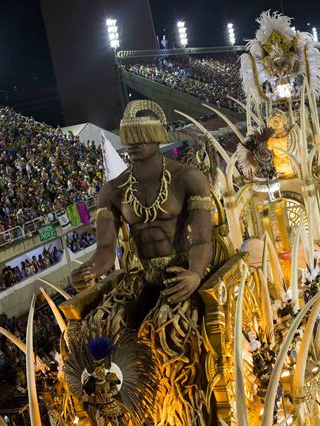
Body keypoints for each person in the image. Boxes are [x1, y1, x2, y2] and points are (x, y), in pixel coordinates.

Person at [69, 100, 215, 424]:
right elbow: (106, 250)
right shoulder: (112, 191)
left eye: (141, 137)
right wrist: (91, 271)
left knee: (163, 330)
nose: (133, 145)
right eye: (128, 137)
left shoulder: (188, 178)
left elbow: (204, 239)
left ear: (158, 136)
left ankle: (182, 408)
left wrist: (195, 274)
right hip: (138, 275)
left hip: (179, 272)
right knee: (97, 328)